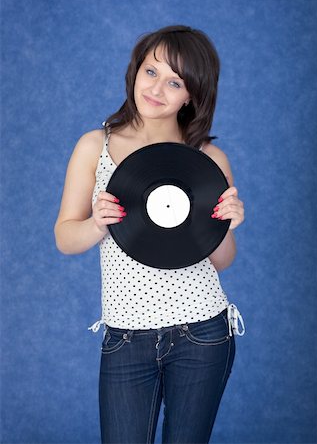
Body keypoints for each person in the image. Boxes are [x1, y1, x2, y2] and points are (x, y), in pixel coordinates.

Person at [54, 25, 245, 444]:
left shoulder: (209, 159)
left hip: (202, 333)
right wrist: (97, 223)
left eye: (175, 82)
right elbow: (65, 237)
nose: (157, 88)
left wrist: (225, 225)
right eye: (151, 72)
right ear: (135, 72)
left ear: (191, 94)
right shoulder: (94, 146)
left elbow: (222, 259)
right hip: (125, 336)